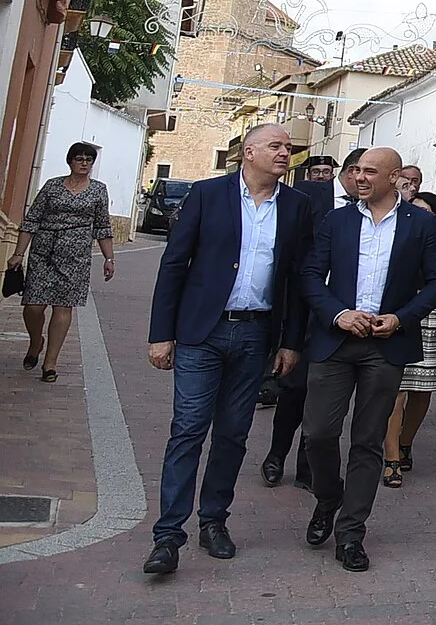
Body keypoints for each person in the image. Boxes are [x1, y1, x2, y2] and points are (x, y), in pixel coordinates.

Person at [142, 123, 319, 574]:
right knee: (188, 429)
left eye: (288, 146)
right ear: (249, 152)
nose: (285, 152)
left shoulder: (298, 206)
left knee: (233, 434)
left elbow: (298, 282)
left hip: (257, 335)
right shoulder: (207, 195)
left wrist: (291, 342)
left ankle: (214, 520)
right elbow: (174, 265)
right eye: (276, 146)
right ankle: (167, 536)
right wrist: (161, 333)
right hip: (203, 332)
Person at [299, 146, 436, 571]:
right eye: (356, 171)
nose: (359, 178)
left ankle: (351, 532)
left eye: (370, 171)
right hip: (335, 339)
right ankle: (329, 498)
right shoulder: (338, 220)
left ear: (394, 177)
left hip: (386, 346)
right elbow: (310, 275)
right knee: (318, 433)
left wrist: (401, 319)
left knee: (367, 441)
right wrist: (338, 313)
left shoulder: (421, 224)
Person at [9, 141, 116, 382]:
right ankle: (36, 342)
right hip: (44, 252)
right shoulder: (52, 186)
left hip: (76, 255)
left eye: (88, 160)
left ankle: (50, 363)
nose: (84, 163)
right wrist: (18, 253)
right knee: (33, 306)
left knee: (63, 307)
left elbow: (102, 225)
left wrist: (109, 258)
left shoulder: (98, 190)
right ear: (70, 161)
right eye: (79, 158)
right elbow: (31, 221)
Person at [382, 190, 436, 487]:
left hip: (431, 315)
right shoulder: (394, 236)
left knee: (422, 389)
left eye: (429, 213)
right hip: (397, 312)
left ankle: (406, 442)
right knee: (395, 390)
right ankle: (392, 457)